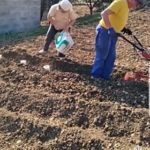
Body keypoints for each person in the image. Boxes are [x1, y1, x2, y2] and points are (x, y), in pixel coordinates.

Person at [91, 0, 144, 80]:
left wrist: (123, 29)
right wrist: (110, 28)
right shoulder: (120, 2)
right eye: (137, 2)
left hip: (113, 33)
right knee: (102, 55)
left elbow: (116, 19)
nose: (137, 5)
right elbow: (104, 14)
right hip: (104, 31)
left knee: (111, 57)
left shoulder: (126, 7)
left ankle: (105, 77)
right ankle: (96, 76)